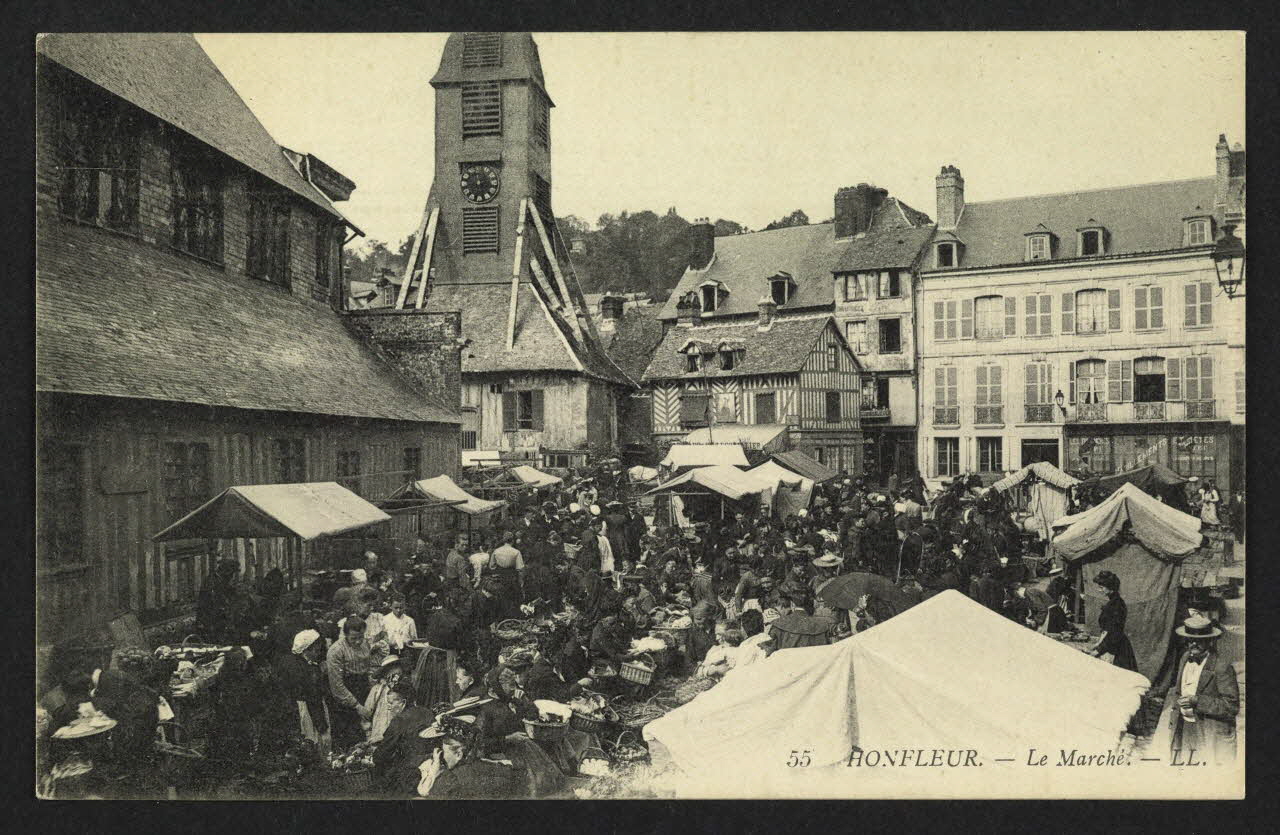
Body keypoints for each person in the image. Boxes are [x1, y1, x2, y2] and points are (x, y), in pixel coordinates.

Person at [1165, 614, 1238, 764]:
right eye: (1190, 640)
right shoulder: (1185, 657)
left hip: (1208, 732)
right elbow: (1178, 690)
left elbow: (1231, 707)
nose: (1193, 644)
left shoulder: (1222, 667)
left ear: (1210, 641)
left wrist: (1197, 701)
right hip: (1184, 727)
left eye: (1199, 641)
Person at [275, 628, 332, 754]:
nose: (318, 654)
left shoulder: (292, 661)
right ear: (306, 650)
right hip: (305, 708)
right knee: (310, 738)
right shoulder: (305, 669)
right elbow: (312, 696)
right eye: (316, 650)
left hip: (300, 705)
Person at [326, 615, 377, 749]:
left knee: (367, 732)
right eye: (353, 638)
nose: (358, 641)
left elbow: (369, 667)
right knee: (349, 736)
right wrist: (356, 706)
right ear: (345, 634)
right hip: (345, 696)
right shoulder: (336, 651)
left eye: (361, 637)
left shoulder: (365, 643)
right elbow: (337, 685)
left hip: (363, 690)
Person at [1088, 570, 1138, 672]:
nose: (1099, 590)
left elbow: (1114, 633)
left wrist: (1099, 649)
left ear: (1111, 588)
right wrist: (1098, 644)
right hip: (1111, 643)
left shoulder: (1117, 605)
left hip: (1116, 647)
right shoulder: (1113, 602)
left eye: (1101, 588)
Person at [364, 655, 407, 743]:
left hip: (399, 734)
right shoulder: (377, 690)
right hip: (379, 734)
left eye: (397, 667)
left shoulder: (406, 689)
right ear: (385, 673)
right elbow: (366, 714)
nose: (396, 671)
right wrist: (369, 735)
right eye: (391, 669)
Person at [487, 532, 526, 620]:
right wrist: (521, 582)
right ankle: (513, 619)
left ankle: (502, 619)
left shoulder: (496, 551)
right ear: (512, 540)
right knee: (513, 599)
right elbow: (520, 568)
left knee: (501, 599)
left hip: (500, 577)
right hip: (512, 577)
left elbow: (491, 566)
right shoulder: (516, 552)